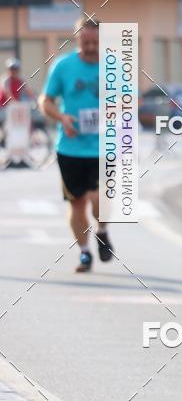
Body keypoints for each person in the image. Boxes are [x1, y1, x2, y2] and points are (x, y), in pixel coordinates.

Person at [39, 17, 114, 273]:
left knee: (98, 197)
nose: (90, 47)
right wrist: (61, 117)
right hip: (70, 147)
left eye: (94, 42)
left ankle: (102, 230)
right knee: (77, 203)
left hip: (103, 147)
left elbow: (130, 100)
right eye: (85, 42)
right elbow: (46, 100)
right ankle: (84, 253)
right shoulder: (63, 66)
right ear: (77, 39)